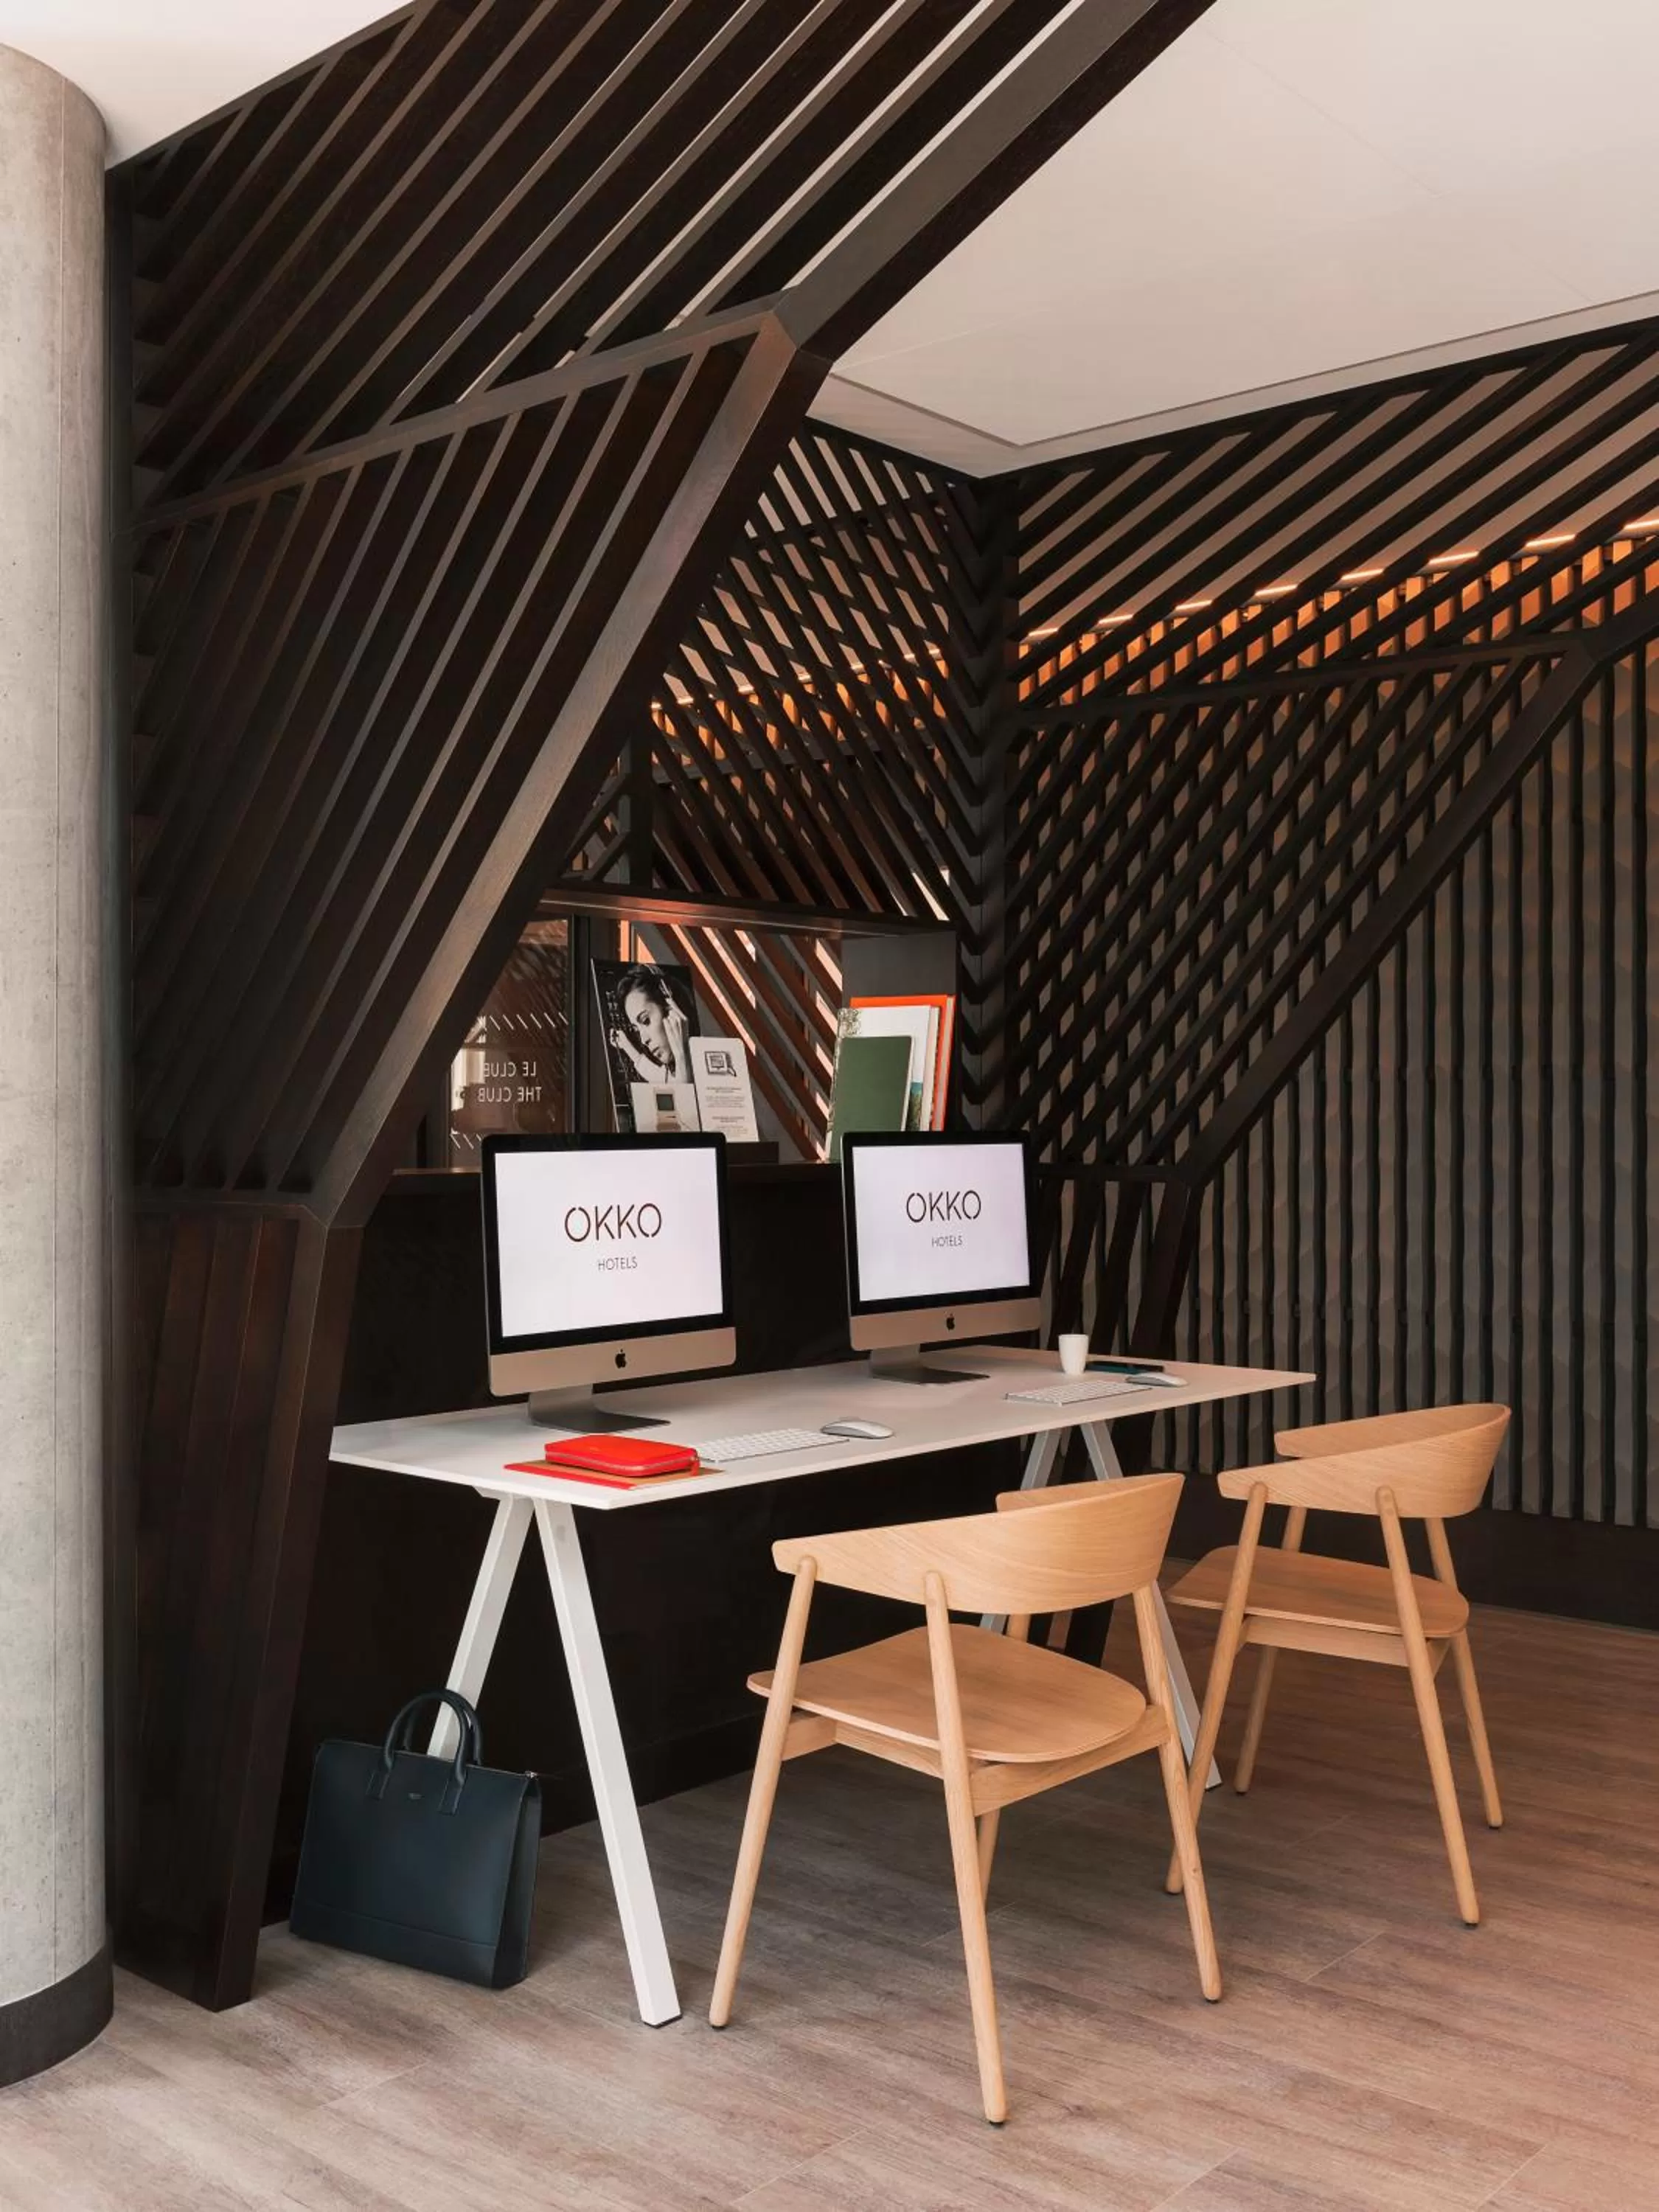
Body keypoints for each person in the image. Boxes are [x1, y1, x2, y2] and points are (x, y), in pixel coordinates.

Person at [610, 965, 693, 1085]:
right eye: (637, 1030)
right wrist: (626, 1046)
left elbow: (684, 1100)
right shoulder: (673, 1072)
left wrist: (682, 1054)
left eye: (646, 1021)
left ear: (670, 1008)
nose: (644, 1040)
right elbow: (655, 1074)